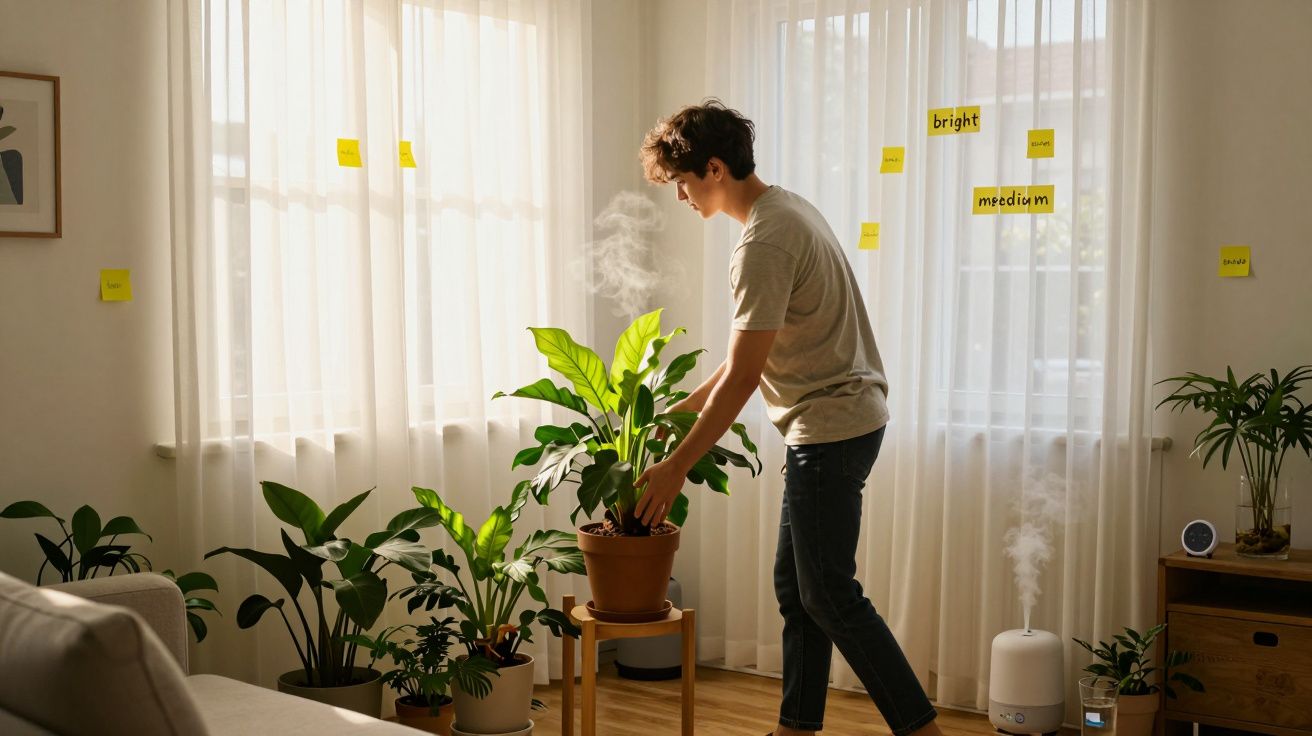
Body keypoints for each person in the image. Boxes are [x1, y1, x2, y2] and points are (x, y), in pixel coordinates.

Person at [632, 100, 942, 736]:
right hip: (840, 419)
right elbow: (747, 352)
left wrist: (674, 469)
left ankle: (922, 729)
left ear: (714, 168)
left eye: (686, 184)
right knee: (799, 588)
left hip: (830, 428)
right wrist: (681, 412)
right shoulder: (787, 208)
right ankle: (796, 727)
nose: (684, 199)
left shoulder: (763, 242)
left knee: (829, 593)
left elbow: (747, 377)